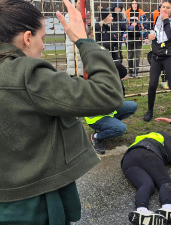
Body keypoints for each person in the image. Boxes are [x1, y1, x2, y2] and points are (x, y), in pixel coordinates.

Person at [0, 0, 124, 224]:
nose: (43, 46)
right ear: (27, 38)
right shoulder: (27, 75)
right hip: (32, 202)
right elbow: (108, 93)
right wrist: (83, 40)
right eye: (42, 38)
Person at [121, 131, 171, 225]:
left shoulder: (141, 137)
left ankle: (141, 210)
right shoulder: (163, 138)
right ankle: (168, 208)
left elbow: (159, 159)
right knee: (164, 182)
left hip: (127, 160)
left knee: (146, 185)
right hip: (147, 153)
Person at [143, 0, 171, 122]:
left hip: (169, 57)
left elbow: (170, 36)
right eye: (163, 7)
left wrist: (166, 20)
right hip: (157, 56)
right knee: (152, 85)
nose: (164, 9)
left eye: (167, 7)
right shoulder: (158, 19)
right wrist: (151, 36)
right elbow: (157, 34)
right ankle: (150, 111)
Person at [86, 61, 138, 154]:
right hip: (96, 117)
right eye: (121, 78)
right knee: (121, 129)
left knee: (132, 106)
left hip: (109, 111)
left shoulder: (110, 80)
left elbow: (120, 99)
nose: (123, 79)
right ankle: (97, 137)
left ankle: (111, 125)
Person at [125, 0, 146, 78]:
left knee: (137, 56)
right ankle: (130, 72)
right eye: (133, 3)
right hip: (130, 37)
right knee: (130, 55)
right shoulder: (127, 13)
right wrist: (125, 35)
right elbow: (124, 26)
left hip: (138, 37)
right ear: (131, 4)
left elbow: (145, 25)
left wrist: (144, 36)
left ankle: (136, 72)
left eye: (135, 3)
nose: (134, 5)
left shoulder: (142, 13)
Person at [65, 0, 84, 76]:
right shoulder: (69, 15)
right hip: (72, 46)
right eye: (79, 3)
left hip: (82, 45)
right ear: (75, 4)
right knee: (74, 67)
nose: (81, 5)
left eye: (82, 3)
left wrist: (89, 24)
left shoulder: (85, 15)